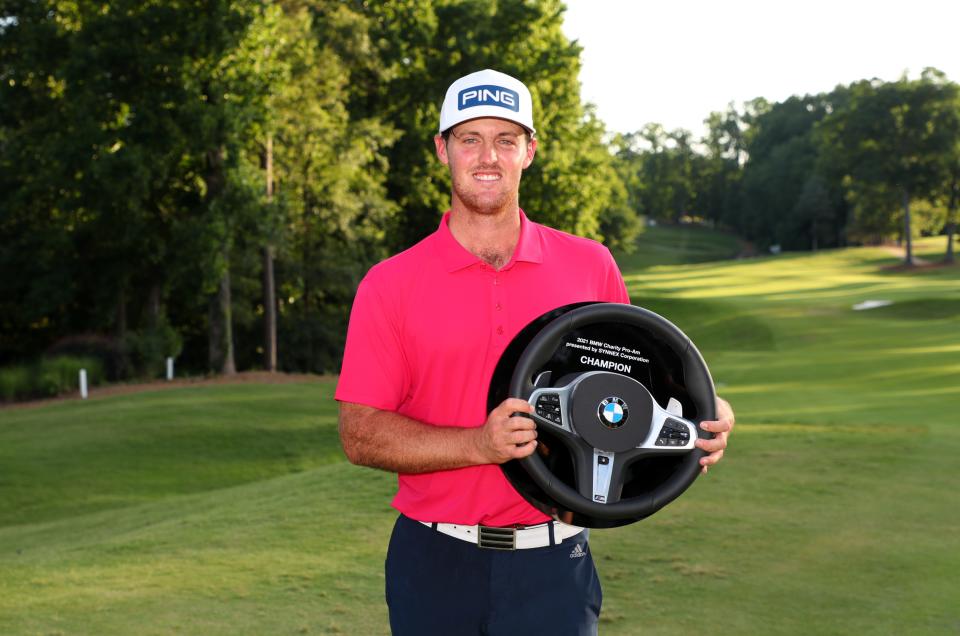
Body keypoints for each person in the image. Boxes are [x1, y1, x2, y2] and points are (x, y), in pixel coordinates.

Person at [336, 69, 735, 635]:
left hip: (555, 565)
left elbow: (638, 391)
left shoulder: (590, 264)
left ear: (530, 151)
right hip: (435, 562)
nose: (487, 157)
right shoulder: (390, 283)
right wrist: (478, 443)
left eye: (505, 139)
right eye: (469, 138)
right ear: (442, 149)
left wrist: (709, 413)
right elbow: (359, 433)